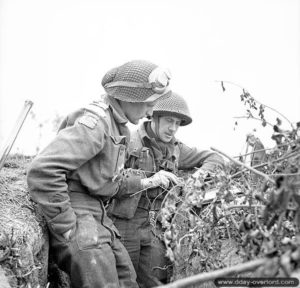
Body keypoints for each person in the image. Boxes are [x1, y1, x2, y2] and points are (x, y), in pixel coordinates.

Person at [26, 60, 178, 288]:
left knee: (128, 279)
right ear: (130, 97)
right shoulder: (96, 124)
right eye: (148, 103)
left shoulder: (119, 127)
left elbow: (110, 182)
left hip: (99, 216)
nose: (150, 112)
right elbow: (43, 170)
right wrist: (67, 226)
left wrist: (148, 181)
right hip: (80, 216)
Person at [108, 92, 225, 287]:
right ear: (153, 116)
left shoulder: (177, 149)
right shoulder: (127, 142)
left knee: (155, 281)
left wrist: (198, 177)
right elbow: (109, 182)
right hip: (124, 224)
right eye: (169, 121)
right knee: (124, 280)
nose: (173, 128)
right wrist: (149, 180)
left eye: (178, 123)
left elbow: (215, 158)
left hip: (156, 228)